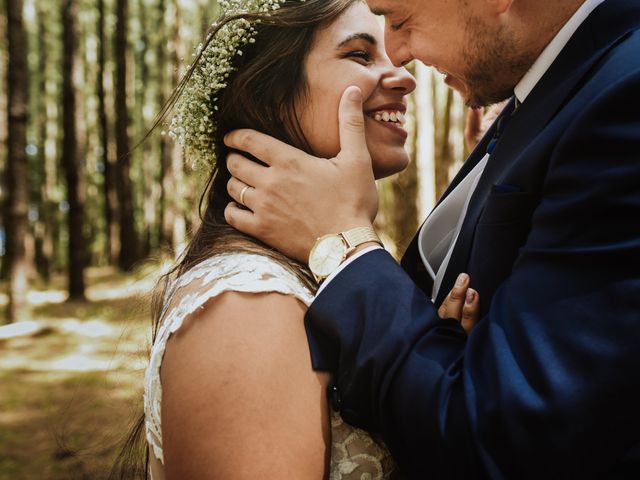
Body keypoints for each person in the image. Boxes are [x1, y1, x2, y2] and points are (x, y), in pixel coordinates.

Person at [223, 0, 640, 478]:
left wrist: (343, 245)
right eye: (361, 53)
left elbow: (508, 437)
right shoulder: (240, 296)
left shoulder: (621, 95)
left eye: (399, 20)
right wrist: (437, 344)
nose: (398, 56)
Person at [123, 1, 480, 479]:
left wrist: (434, 369)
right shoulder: (246, 302)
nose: (404, 75)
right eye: (359, 55)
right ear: (270, 96)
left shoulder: (315, 278)